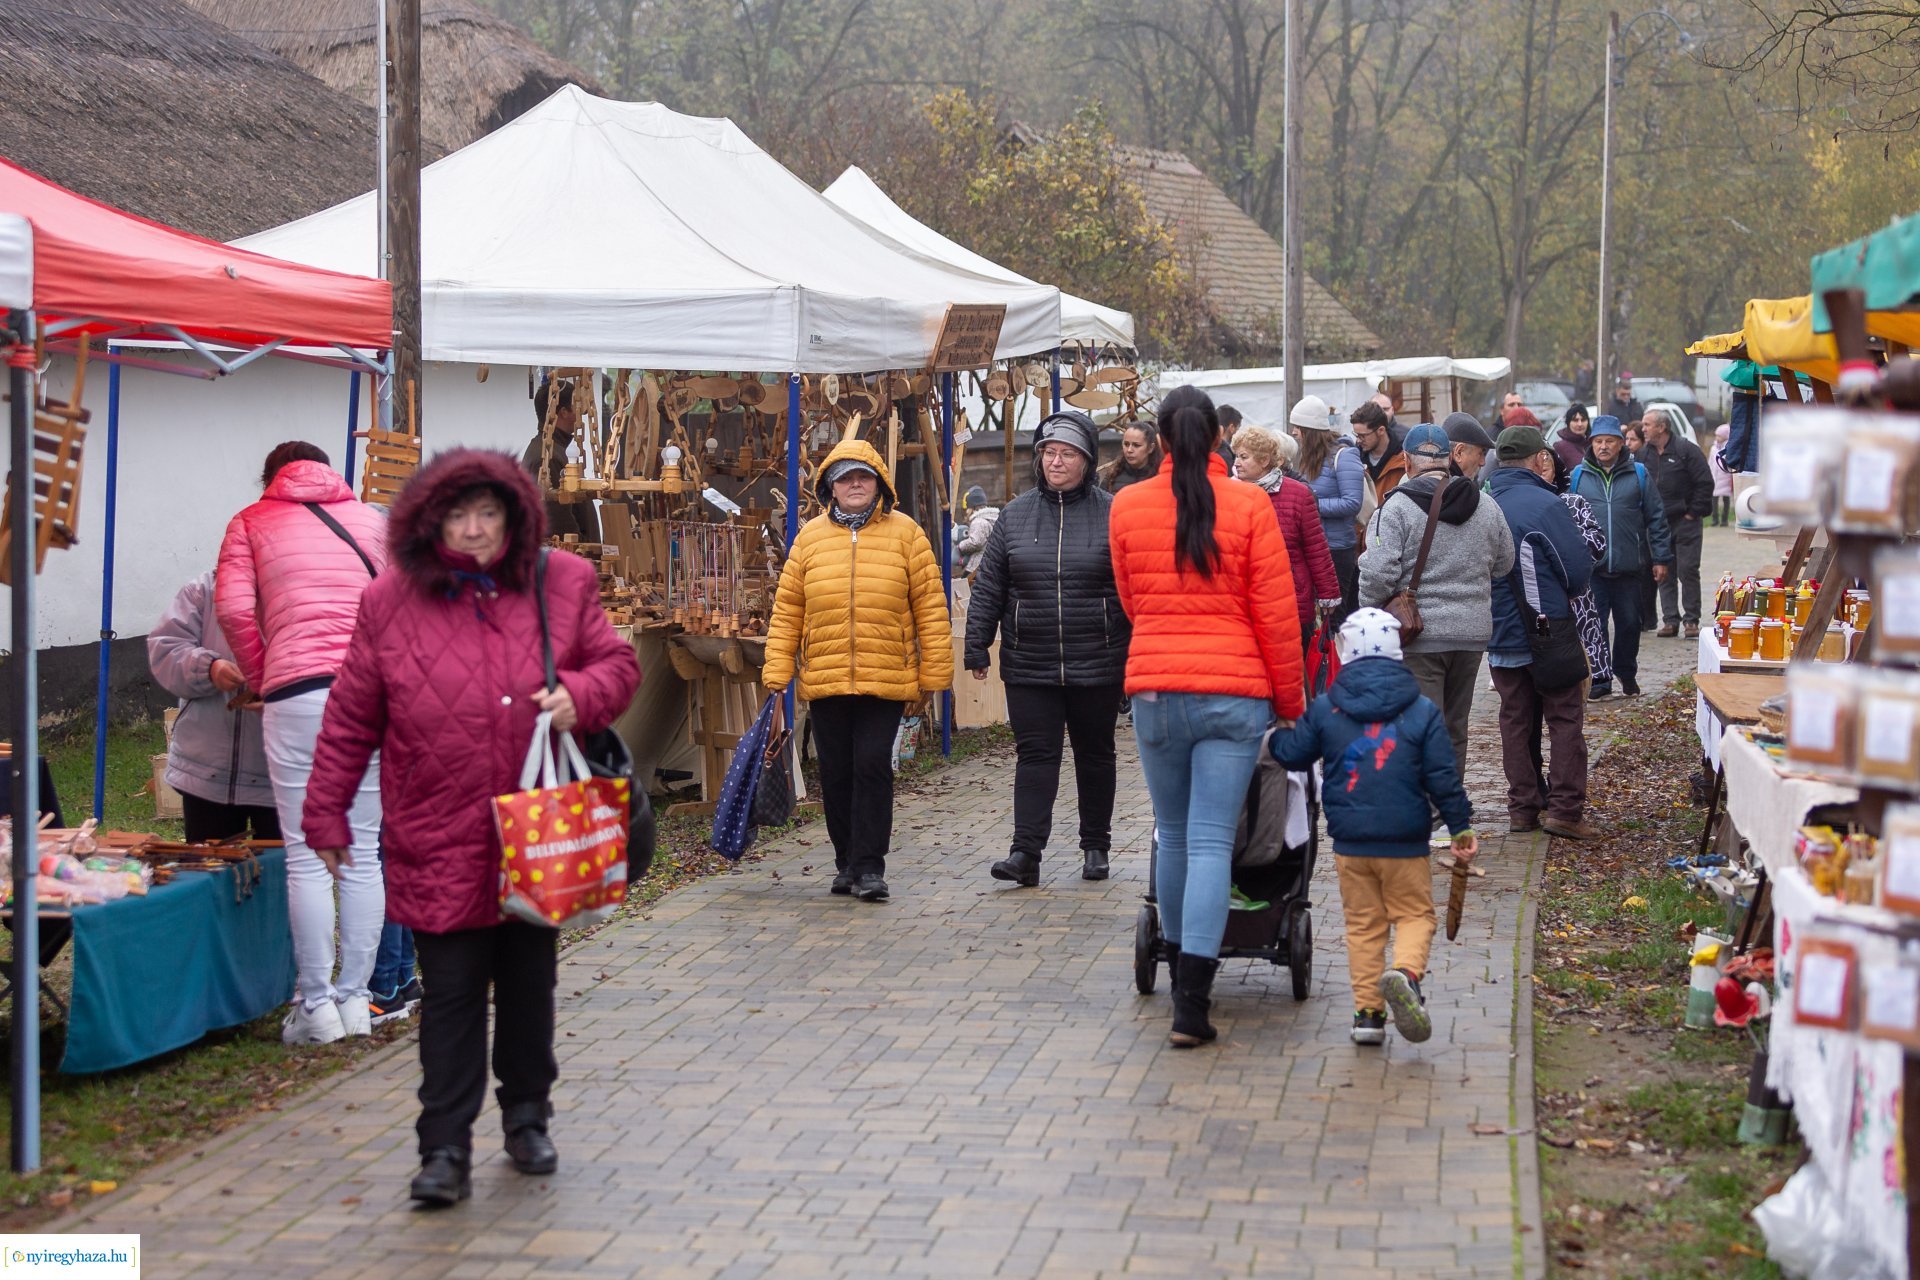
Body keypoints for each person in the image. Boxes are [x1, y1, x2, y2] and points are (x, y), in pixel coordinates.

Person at [301, 448, 641, 1206]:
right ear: (431, 521)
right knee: (451, 993)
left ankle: (527, 1117)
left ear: (514, 514)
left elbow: (620, 666)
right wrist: (325, 810)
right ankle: (443, 1148)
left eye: (489, 512)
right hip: (436, 828)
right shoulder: (388, 601)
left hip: (538, 829)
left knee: (528, 984)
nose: (476, 528)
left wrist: (579, 693)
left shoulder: (562, 581)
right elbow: (352, 714)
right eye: (458, 514)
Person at [1109, 386, 1304, 1049]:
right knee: (1213, 841)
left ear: (1161, 441)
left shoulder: (1127, 506)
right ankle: (1192, 1005)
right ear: (1219, 438)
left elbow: (1133, 600)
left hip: (1157, 689)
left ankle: (1170, 967)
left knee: (1172, 832)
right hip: (1234, 692)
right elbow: (1275, 616)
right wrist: (1290, 703)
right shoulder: (1251, 505)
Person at [216, 442, 388, 1046]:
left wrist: (264, 675)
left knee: (309, 853)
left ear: (272, 478)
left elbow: (235, 608)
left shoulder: (250, 521)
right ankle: (355, 1000)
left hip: (299, 696)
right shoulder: (372, 520)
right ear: (329, 473)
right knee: (362, 850)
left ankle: (314, 1007)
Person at [1266, 609, 1476, 1045]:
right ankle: (1405, 974)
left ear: (1347, 653)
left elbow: (1293, 754)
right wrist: (1459, 828)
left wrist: (1272, 736)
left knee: (1363, 926)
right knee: (1415, 914)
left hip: (1351, 842)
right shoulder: (1421, 711)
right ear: (1398, 653)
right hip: (1405, 841)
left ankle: (1367, 1017)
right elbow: (1442, 777)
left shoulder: (1327, 708)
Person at [763, 440, 952, 903]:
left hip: (884, 675)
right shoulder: (809, 538)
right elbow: (789, 607)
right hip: (826, 677)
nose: (854, 485)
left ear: (879, 485)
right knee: (836, 771)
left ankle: (870, 867)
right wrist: (777, 668)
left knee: (871, 766)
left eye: (863, 477)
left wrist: (935, 674)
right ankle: (846, 861)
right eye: (845, 478)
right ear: (830, 485)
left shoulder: (906, 534)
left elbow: (930, 606)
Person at [966, 411, 1127, 887]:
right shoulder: (1015, 515)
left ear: (1088, 461)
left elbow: (1130, 589)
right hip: (1029, 661)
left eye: (1068, 454)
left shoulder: (1113, 512)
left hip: (1097, 659)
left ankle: (1095, 845)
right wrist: (977, 644)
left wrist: (1135, 655)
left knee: (1095, 755)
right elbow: (990, 585)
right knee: (1035, 756)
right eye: (1049, 453)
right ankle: (1025, 853)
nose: (1056, 462)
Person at [1356, 424, 1515, 774]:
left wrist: (1369, 612)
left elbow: (1378, 573)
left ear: (1408, 464)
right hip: (1472, 634)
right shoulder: (1486, 505)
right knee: (1455, 727)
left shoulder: (1395, 509)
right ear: (1447, 460)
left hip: (1420, 636)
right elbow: (1505, 563)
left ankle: (1430, 814)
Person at [1486, 426, 1595, 840]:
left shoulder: (1483, 503)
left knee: (1515, 719)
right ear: (1539, 460)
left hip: (1499, 633)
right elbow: (1577, 571)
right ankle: (1565, 811)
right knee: (1564, 716)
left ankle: (1522, 809)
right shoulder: (1547, 505)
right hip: (1547, 629)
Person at [148, 571, 280, 842]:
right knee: (212, 872)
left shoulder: (302, 596)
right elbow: (166, 650)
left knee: (278, 877)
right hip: (206, 773)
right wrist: (208, 668)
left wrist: (285, 695)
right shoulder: (202, 591)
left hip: (279, 775)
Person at [1568, 416, 1670, 699]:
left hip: (1629, 566)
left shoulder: (1637, 474)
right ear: (1591, 444)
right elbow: (1566, 519)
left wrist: (1661, 558)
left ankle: (1626, 672)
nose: (1603, 447)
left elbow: (1656, 517)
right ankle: (1600, 679)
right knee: (1594, 625)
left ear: (1620, 443)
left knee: (1629, 624)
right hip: (1592, 569)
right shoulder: (1578, 476)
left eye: (1609, 441)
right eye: (1598, 441)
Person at [1233, 425, 1340, 658]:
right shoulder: (1229, 494)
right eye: (1236, 456)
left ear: (1264, 461)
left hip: (1292, 598)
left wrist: (1328, 593)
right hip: (1243, 598)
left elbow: (1316, 548)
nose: (1237, 463)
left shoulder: (1298, 494)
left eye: (1244, 457)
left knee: (1293, 666)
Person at [1637, 410, 1715, 637]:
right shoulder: (1644, 455)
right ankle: (1670, 619)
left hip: (1685, 521)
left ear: (1662, 427)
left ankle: (1692, 619)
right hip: (1658, 523)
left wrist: (1693, 513)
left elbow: (1704, 482)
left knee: (1688, 569)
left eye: (1647, 424)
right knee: (1663, 571)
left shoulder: (1686, 450)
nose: (1643, 428)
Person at [1291, 394, 1366, 625]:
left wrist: (1311, 505)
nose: (1293, 432)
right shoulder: (1306, 458)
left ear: (1310, 431)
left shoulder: (1344, 456)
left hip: (1336, 549)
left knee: (1335, 616)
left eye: (1298, 427)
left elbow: (1353, 502)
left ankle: (1334, 660)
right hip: (1312, 547)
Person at [520, 378, 601, 543]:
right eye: (576, 406)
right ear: (563, 412)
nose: (581, 412)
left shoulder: (553, 450)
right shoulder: (545, 456)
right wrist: (585, 550)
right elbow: (558, 520)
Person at [1350, 401, 1407, 526]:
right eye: (1356, 435)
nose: (1358, 440)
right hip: (1359, 540)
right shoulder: (1353, 460)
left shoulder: (1405, 462)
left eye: (1363, 435)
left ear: (1381, 430)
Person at [1101, 420, 1162, 493]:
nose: (1129, 450)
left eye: (1136, 445)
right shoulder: (1112, 476)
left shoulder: (1161, 476)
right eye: (1126, 444)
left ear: (1151, 448)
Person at [954, 485, 1000, 576]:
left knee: (965, 583)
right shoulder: (991, 519)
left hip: (977, 566)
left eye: (967, 508)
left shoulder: (979, 522)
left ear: (973, 507)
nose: (966, 511)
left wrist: (960, 546)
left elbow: (976, 542)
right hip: (989, 565)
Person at [1441, 412, 1497, 482]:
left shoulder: (1431, 484)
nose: (1483, 462)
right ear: (1459, 452)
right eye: (1480, 454)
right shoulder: (1463, 491)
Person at [1552, 405, 1592, 476]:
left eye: (1583, 420)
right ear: (1568, 423)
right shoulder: (1560, 447)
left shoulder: (1593, 444)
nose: (1580, 424)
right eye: (1575, 420)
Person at [1709, 423, 1734, 526]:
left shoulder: (1728, 449)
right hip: (1715, 477)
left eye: (1719, 435)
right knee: (1714, 499)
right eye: (1716, 435)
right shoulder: (1713, 448)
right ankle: (1715, 519)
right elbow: (1710, 461)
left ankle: (1724, 520)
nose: (1717, 438)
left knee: (1726, 499)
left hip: (1725, 478)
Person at [1214, 403, 1243, 468]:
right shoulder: (1225, 455)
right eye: (1238, 428)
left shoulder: (1203, 450)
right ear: (1232, 428)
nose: (1238, 432)